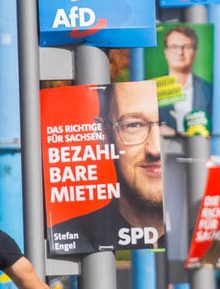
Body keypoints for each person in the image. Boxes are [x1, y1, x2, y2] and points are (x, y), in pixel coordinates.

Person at [50, 81, 165, 253]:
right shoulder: (69, 234)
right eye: (134, 125)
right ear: (103, 133)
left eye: (166, 123)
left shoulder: (211, 231)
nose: (155, 149)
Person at [158, 25, 212, 136]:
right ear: (165, 52)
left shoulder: (209, 89)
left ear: (195, 52)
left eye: (186, 47)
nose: (180, 53)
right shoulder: (153, 89)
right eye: (173, 47)